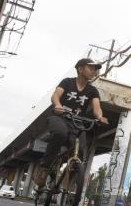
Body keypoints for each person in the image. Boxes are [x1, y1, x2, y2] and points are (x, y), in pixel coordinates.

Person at [32, 58, 108, 188]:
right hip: (59, 117)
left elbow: (97, 108)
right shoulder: (67, 82)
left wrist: (100, 117)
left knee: (81, 150)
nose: (94, 71)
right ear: (80, 69)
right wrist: (58, 105)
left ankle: (70, 179)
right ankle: (44, 168)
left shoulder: (92, 91)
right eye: (91, 68)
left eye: (95, 69)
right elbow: (55, 96)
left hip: (76, 122)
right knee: (60, 133)